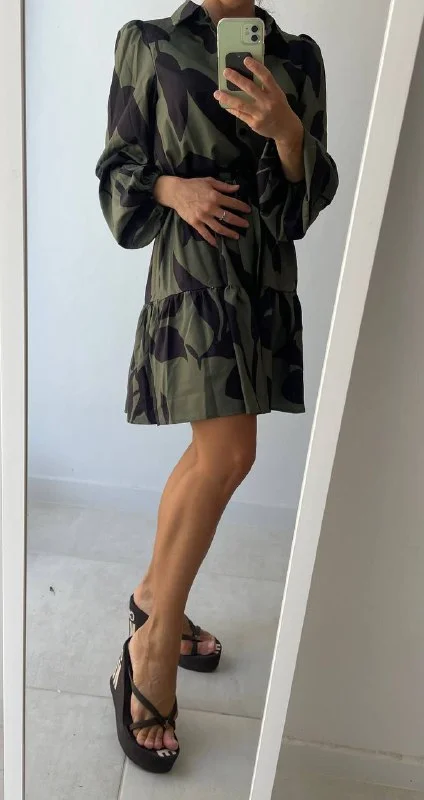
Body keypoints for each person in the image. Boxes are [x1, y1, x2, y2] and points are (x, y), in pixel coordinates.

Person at [95, 0, 339, 773]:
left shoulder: (297, 57)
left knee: (213, 457)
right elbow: (117, 169)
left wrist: (288, 133)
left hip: (263, 282)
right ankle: (150, 647)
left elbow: (303, 203)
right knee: (230, 455)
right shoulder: (149, 44)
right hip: (194, 279)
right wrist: (172, 190)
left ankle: (151, 595)